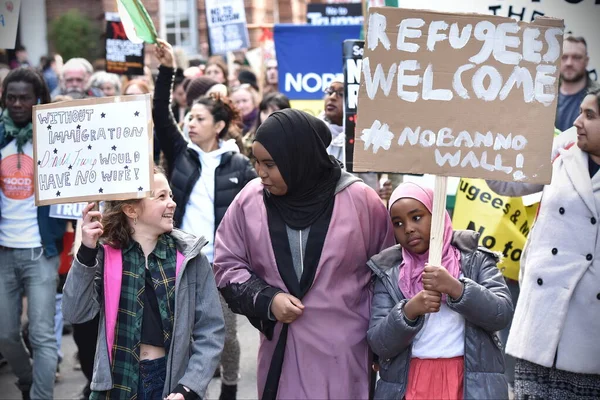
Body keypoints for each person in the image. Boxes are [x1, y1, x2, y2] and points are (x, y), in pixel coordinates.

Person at [213, 108, 395, 399]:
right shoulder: (250, 200)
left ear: (298, 158)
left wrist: (384, 342)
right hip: (283, 356)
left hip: (347, 355)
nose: (260, 173)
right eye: (256, 162)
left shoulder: (361, 201)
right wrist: (268, 300)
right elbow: (226, 264)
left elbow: (389, 276)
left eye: (270, 164)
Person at [62, 169, 225, 400]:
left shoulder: (191, 258)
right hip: (116, 382)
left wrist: (189, 387)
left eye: (171, 196)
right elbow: (74, 312)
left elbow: (211, 330)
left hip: (170, 383)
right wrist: (87, 251)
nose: (172, 204)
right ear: (131, 209)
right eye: (161, 197)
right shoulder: (106, 256)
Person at [154, 40, 256, 400]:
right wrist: (166, 72)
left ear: (220, 126)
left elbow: (254, 217)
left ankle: (229, 387)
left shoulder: (240, 165)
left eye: (199, 119)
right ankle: (188, 390)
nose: (190, 124)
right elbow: (161, 116)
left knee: (224, 335)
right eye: (189, 118)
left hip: (222, 265)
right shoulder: (182, 155)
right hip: (182, 261)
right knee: (183, 332)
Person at [487, 88, 600, 399]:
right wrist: (490, 134)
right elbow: (505, 182)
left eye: (590, 116)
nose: (578, 121)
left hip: (590, 328)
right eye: (579, 112)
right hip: (542, 317)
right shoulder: (564, 145)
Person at [367, 182, 513, 399]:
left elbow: (501, 314)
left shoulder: (475, 261)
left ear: (437, 215)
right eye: (398, 223)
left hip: (467, 381)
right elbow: (380, 343)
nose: (408, 228)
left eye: (416, 217)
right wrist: (409, 311)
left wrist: (457, 289)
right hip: (412, 382)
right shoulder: (389, 273)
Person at [0, 67, 67, 400]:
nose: (16, 104)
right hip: (3, 251)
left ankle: (41, 395)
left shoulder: (54, 137)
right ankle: (27, 379)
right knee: (6, 334)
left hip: (41, 251)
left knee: (42, 334)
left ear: (38, 100)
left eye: (24, 98)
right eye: (10, 97)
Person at [556, 36, 600, 132]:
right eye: (564, 57)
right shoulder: (543, 94)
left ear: (586, 61)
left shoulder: (597, 96)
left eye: (576, 57)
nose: (569, 63)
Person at [241, 92, 291, 157]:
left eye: (274, 111)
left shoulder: (293, 140)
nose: (268, 115)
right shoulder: (248, 141)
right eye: (265, 112)